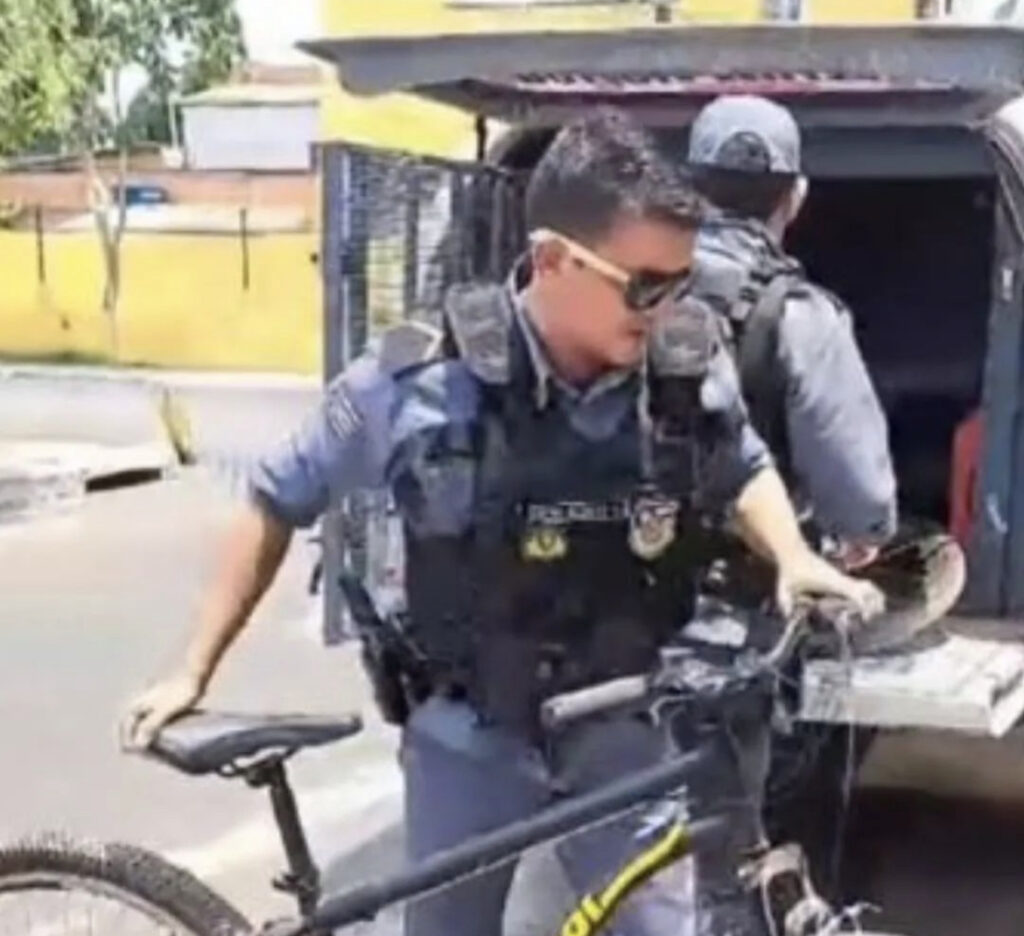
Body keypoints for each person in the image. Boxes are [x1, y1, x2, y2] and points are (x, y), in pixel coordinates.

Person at [122, 108, 882, 936]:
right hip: (469, 743)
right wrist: (191, 669)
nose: (666, 310)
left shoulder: (684, 372)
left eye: (680, 284)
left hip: (623, 736)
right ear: (555, 260)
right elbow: (274, 494)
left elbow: (740, 466)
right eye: (645, 287)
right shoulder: (416, 380)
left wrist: (794, 554)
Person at [686, 94, 897, 572]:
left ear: (689, 189)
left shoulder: (615, 285)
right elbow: (859, 496)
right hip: (741, 592)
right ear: (795, 198)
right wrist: (861, 534)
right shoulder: (802, 318)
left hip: (600, 588)